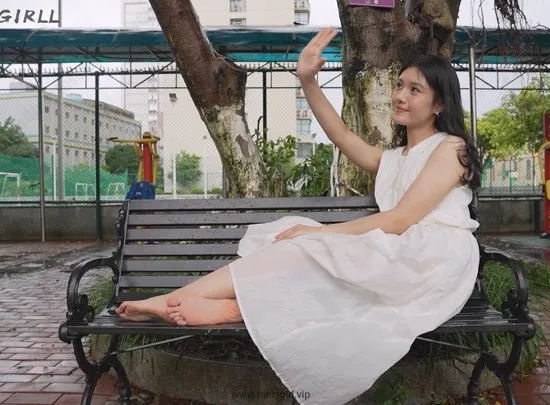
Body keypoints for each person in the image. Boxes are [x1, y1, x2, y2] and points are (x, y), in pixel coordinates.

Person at [115, 27, 482, 405]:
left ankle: (192, 302)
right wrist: (307, 79)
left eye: (415, 90)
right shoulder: (393, 159)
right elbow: (339, 134)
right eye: (400, 85)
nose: (400, 96)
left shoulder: (451, 148)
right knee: (289, 240)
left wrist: (321, 235)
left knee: (309, 243)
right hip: (400, 250)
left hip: (434, 258)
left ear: (439, 104)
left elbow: (401, 219)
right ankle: (230, 306)